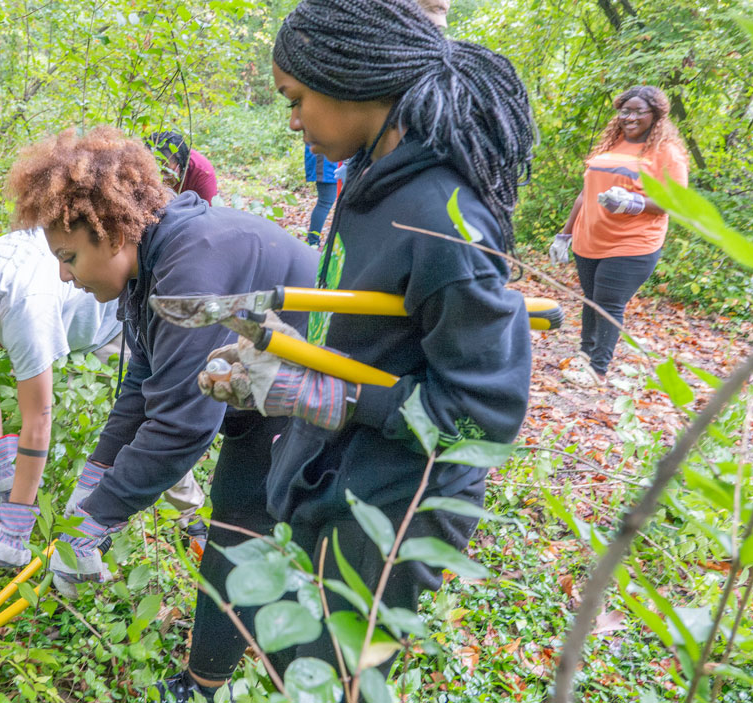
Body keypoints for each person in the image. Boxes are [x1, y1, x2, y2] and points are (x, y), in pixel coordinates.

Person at [201, 0, 535, 687]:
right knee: (301, 659)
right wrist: (287, 352)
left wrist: (328, 395)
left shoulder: (447, 224)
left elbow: (482, 420)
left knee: (335, 675)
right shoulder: (371, 177)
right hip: (334, 478)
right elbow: (367, 323)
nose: (292, 121)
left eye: (296, 99)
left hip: (393, 505)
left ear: (352, 76)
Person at [5, 126, 316, 702]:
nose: (64, 276)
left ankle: (298, 677)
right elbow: (143, 386)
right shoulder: (154, 264)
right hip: (263, 403)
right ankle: (203, 686)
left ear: (113, 230)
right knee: (231, 536)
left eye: (69, 257)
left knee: (285, 553)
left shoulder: (191, 262)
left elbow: (181, 426)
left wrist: (96, 523)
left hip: (326, 402)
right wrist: (93, 480)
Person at [0, 231, 205, 585]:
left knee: (153, 425)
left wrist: (15, 521)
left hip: (112, 326)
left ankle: (191, 516)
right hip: (66, 332)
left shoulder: (24, 308)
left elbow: (38, 422)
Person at [552, 85, 689, 386]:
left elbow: (676, 202)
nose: (630, 117)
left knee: (608, 303)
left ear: (655, 114)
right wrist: (564, 235)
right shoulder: (611, 142)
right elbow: (586, 191)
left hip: (632, 242)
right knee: (591, 301)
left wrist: (635, 202)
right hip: (589, 239)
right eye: (625, 110)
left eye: (639, 111)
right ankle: (585, 356)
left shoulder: (667, 151)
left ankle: (597, 370)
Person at [145, 130, 219, 203]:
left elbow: (208, 212)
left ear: (181, 165)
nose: (161, 178)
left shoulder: (202, 174)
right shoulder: (142, 167)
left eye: (166, 171)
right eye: (156, 170)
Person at [304, 143, 340, 248]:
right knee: (325, 202)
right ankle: (313, 242)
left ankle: (313, 240)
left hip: (328, 159)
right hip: (326, 161)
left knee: (326, 201)